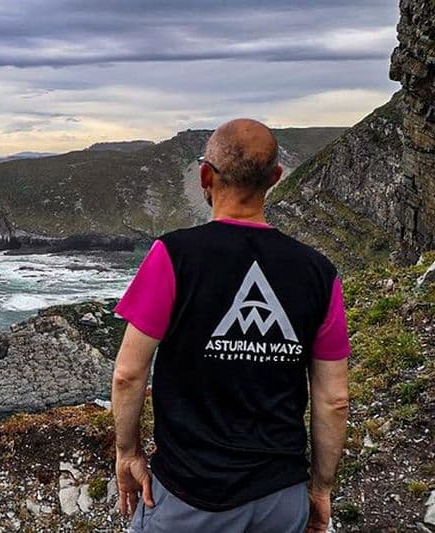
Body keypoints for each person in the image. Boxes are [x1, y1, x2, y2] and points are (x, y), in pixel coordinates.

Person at [111, 119, 350, 533]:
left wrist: (128, 452)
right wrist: (320, 487)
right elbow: (334, 400)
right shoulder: (319, 272)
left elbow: (128, 374)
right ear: (275, 178)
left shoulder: (173, 255)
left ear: (206, 175)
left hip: (190, 493)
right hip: (280, 496)